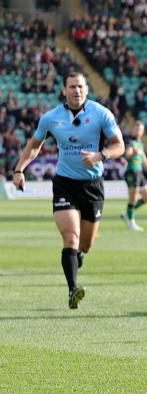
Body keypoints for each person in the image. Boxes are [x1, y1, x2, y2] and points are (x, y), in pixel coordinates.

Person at [10, 71, 124, 309]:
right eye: (72, 87)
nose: (77, 91)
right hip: (65, 184)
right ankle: (73, 290)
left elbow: (119, 146)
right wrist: (19, 169)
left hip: (93, 185)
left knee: (85, 245)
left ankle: (78, 257)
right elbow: (34, 145)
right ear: (64, 90)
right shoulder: (51, 118)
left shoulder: (102, 114)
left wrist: (100, 156)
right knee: (70, 237)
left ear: (87, 89)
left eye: (80, 86)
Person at [120, 120, 147, 232]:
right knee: (133, 198)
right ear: (133, 129)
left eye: (140, 129)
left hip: (140, 173)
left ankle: (127, 213)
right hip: (132, 172)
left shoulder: (140, 143)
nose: (138, 131)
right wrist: (133, 153)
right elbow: (127, 155)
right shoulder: (130, 142)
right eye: (136, 129)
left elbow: (144, 160)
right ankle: (131, 222)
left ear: (142, 132)